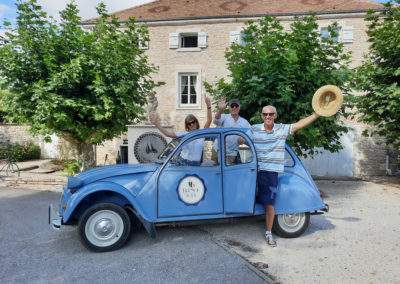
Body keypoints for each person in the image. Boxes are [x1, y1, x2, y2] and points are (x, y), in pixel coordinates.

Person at [243, 105, 320, 247]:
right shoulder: (254, 129)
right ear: (261, 116)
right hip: (254, 170)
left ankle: (268, 233)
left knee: (269, 203)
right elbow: (241, 140)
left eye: (271, 114)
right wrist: (241, 140)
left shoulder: (281, 129)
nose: (268, 117)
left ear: (275, 116)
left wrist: (316, 114)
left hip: (270, 171)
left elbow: (298, 125)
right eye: (265, 114)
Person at [149, 95, 212, 166]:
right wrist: (156, 123)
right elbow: (167, 134)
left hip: (195, 164)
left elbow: (209, 120)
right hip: (183, 162)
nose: (192, 125)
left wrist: (208, 106)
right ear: (187, 126)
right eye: (189, 123)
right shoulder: (184, 134)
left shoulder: (201, 134)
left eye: (193, 122)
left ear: (196, 122)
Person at [212, 97, 251, 164]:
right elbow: (216, 120)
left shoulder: (244, 122)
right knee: (214, 172)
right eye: (232, 106)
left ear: (239, 107)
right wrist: (220, 110)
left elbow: (251, 132)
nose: (234, 108)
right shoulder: (224, 117)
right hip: (218, 151)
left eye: (236, 106)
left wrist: (245, 138)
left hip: (231, 153)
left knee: (228, 173)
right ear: (229, 108)